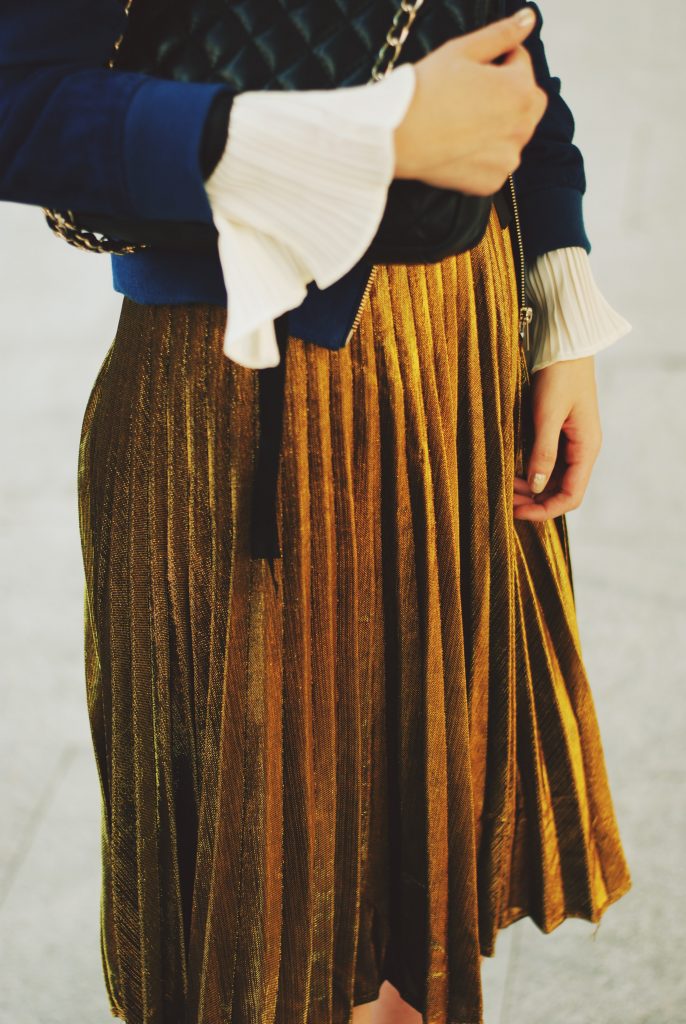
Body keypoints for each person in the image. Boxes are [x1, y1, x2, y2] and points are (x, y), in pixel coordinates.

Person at [0, 1, 633, 1022]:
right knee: (265, 940)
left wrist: (554, 287)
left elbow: (503, 40)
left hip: (456, 352)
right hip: (242, 397)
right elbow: (18, 106)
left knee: (412, 907)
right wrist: (362, 137)